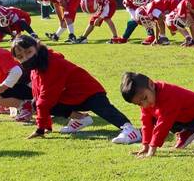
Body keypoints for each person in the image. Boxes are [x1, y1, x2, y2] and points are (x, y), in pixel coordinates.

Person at [10, 35, 141, 143]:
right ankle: (81, 118)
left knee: (105, 110)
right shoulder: (37, 67)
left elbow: (46, 98)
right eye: (21, 56)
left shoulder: (52, 64)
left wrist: (41, 128)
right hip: (71, 96)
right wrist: (44, 123)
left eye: (28, 52)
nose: (26, 58)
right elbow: (39, 95)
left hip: (89, 91)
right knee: (39, 102)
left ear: (37, 47)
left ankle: (130, 129)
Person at [120, 72, 194, 158]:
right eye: (139, 104)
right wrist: (145, 145)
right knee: (155, 118)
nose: (145, 104)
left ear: (151, 84)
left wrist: (152, 150)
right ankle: (186, 132)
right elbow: (146, 123)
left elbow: (163, 125)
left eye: (145, 98)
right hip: (182, 118)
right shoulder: (146, 102)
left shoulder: (168, 95)